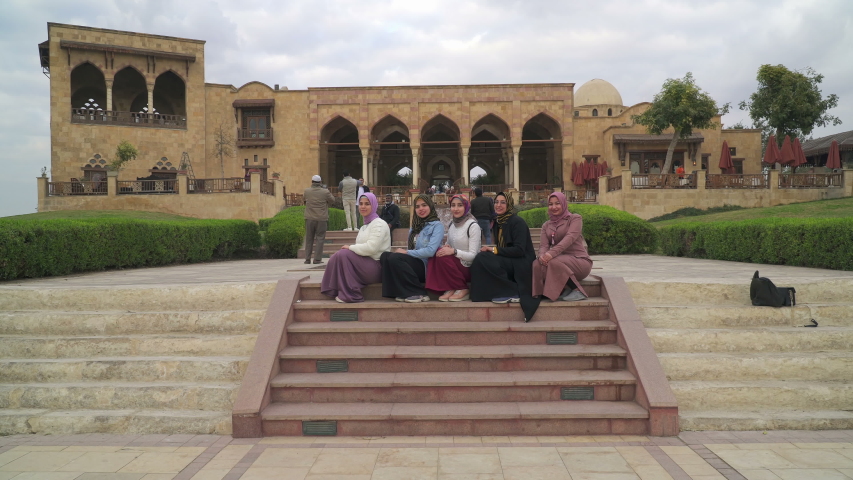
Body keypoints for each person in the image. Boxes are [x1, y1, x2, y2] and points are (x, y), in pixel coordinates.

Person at [470, 192, 540, 322]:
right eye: (496, 202)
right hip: (510, 259)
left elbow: (519, 250)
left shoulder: (517, 222)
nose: (498, 205)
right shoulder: (498, 222)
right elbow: (502, 249)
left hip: (522, 262)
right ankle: (492, 292)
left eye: (503, 202)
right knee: (481, 258)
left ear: (509, 204)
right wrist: (493, 251)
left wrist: (493, 250)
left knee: (484, 258)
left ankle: (511, 291)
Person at [321, 193, 390, 303]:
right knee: (337, 256)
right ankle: (333, 290)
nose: (363, 207)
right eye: (361, 204)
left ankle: (351, 294)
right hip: (365, 264)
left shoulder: (379, 224)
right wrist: (351, 249)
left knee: (343, 254)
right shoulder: (364, 226)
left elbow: (371, 248)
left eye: (367, 204)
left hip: (377, 267)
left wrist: (351, 248)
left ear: (374, 206)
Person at [380, 194, 443, 303]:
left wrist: (406, 252)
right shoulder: (414, 227)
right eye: (417, 206)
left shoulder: (437, 226)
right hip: (414, 263)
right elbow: (411, 248)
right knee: (385, 256)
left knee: (396, 258)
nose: (421, 209)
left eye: (424, 205)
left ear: (430, 206)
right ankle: (398, 291)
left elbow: (430, 251)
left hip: (426, 266)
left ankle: (418, 292)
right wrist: (405, 253)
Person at [532, 192, 593, 302]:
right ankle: (542, 292)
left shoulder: (575, 219)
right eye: (550, 204)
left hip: (579, 261)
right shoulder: (547, 225)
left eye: (557, 203)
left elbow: (569, 238)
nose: (554, 207)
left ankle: (577, 290)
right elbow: (543, 245)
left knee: (552, 261)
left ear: (564, 204)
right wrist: (542, 256)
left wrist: (550, 254)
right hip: (558, 261)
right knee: (537, 263)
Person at [426, 194, 481, 302]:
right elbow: (448, 244)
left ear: (466, 207)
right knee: (436, 253)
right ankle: (451, 287)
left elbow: (474, 256)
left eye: (460, 205)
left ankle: (462, 288)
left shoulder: (473, 225)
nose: (456, 209)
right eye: (453, 205)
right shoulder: (452, 224)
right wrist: (446, 247)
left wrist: (453, 251)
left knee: (442, 257)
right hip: (455, 264)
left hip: (469, 267)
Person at [302, 174, 336, 265]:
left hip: (309, 217)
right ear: (320, 182)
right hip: (321, 218)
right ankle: (317, 259)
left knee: (309, 238)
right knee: (320, 238)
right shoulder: (325, 192)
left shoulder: (307, 191)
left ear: (312, 182)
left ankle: (307, 259)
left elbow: (304, 200)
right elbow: (333, 200)